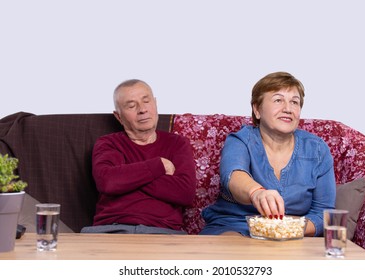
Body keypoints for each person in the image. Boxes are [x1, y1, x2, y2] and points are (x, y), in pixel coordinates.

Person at [200, 72, 336, 237]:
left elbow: (324, 212)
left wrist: (286, 230)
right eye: (278, 100)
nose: (288, 109)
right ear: (257, 109)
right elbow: (233, 175)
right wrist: (256, 192)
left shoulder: (317, 149)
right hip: (236, 226)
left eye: (294, 102)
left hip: (293, 236)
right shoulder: (241, 140)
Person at [81, 79, 197, 234]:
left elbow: (185, 193)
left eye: (146, 101)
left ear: (155, 104)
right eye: (131, 106)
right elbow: (108, 181)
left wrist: (126, 176)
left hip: (163, 232)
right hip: (112, 229)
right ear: (118, 116)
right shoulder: (109, 143)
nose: (142, 109)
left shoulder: (177, 143)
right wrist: (159, 166)